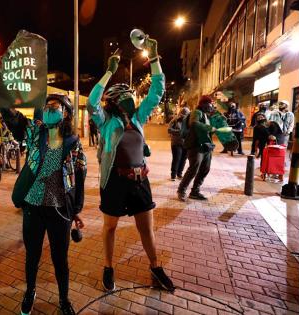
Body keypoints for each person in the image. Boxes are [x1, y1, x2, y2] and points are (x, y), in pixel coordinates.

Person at [87, 38, 175, 293]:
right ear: (113, 101)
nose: (130, 98)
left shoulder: (138, 117)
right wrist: (109, 72)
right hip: (114, 180)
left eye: (130, 95)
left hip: (140, 180)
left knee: (146, 227)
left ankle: (156, 268)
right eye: (123, 96)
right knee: (110, 226)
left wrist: (155, 59)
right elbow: (92, 103)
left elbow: (157, 92)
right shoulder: (105, 122)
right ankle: (108, 267)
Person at [0, 94, 87, 315]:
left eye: (55, 106)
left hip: (59, 210)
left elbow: (79, 175)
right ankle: (30, 291)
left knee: (60, 259)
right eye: (47, 106)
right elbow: (12, 118)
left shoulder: (73, 142)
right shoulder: (34, 133)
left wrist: (76, 210)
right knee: (32, 255)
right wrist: (1, 92)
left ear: (66, 113)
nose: (49, 109)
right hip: (33, 207)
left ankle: (64, 298)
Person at [177, 95, 217, 201]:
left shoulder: (205, 115)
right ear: (204, 104)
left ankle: (195, 191)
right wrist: (209, 127)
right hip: (196, 146)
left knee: (205, 169)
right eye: (210, 104)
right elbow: (194, 123)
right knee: (193, 169)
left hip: (205, 146)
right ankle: (181, 190)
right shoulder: (197, 112)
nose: (211, 106)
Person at [168, 107, 190, 181]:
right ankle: (173, 175)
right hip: (176, 143)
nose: (184, 116)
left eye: (186, 115)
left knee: (183, 159)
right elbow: (169, 130)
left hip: (186, 143)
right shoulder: (175, 120)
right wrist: (179, 132)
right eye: (182, 114)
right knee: (176, 159)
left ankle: (179, 174)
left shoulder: (190, 122)